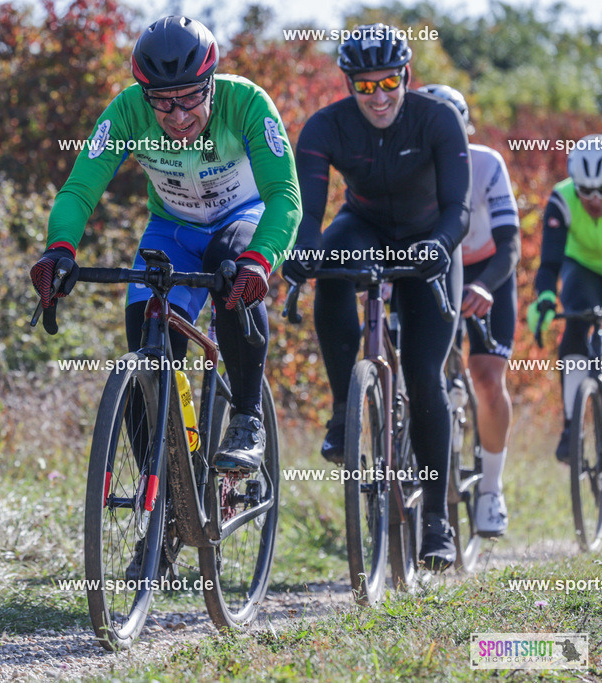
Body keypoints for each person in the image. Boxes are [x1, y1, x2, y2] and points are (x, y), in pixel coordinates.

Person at [31, 16, 301, 477]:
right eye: (163, 102)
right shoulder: (127, 111)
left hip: (241, 220)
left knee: (229, 266)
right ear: (145, 94)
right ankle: (165, 508)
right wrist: (60, 250)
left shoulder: (247, 103)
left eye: (191, 98)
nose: (178, 117)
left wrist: (261, 260)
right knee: (146, 360)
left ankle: (246, 417)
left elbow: (285, 197)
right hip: (171, 230)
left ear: (211, 83)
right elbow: (78, 190)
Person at [283, 24, 471, 569]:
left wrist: (439, 246)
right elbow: (309, 216)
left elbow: (459, 210)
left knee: (423, 372)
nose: (379, 96)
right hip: (362, 226)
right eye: (365, 87)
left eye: (389, 82)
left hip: (429, 239)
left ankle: (435, 517)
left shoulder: (438, 120)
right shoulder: (325, 127)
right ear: (348, 86)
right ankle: (346, 408)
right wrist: (303, 252)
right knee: (329, 269)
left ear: (406, 76)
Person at [418, 85, 519, 538]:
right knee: (417, 371)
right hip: (432, 266)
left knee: (487, 376)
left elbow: (511, 242)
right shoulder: (407, 162)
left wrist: (484, 285)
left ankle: (492, 489)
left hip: (485, 267)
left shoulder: (486, 163)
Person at [528, 134, 602, 462]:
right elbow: (549, 263)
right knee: (575, 320)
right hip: (580, 265)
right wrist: (545, 298)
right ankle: (572, 427)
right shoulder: (562, 198)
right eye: (586, 191)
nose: (595, 199)